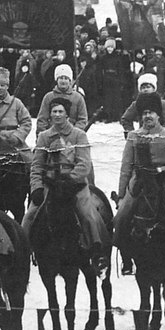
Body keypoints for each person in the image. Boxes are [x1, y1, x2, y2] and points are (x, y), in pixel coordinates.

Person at [114, 92, 165, 274]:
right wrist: (123, 194)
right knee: (121, 219)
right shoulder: (133, 136)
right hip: (138, 185)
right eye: (145, 113)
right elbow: (126, 166)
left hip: (164, 184)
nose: (148, 116)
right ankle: (126, 257)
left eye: (152, 112)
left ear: (158, 115)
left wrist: (161, 172)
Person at [27, 97, 107, 267]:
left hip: (74, 186)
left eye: (60, 111)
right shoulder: (44, 137)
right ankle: (24, 250)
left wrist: (70, 179)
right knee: (30, 216)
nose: (57, 115)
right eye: (54, 111)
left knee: (86, 215)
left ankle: (96, 250)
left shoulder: (79, 136)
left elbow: (84, 164)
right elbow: (37, 165)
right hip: (51, 185)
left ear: (67, 115)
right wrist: (37, 187)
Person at [36, 63, 89, 133]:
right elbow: (42, 120)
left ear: (70, 81)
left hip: (72, 136)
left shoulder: (78, 98)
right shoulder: (48, 97)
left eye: (66, 78)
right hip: (51, 135)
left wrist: (73, 133)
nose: (63, 81)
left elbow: (82, 120)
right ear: (56, 80)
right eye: (61, 78)